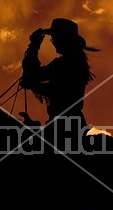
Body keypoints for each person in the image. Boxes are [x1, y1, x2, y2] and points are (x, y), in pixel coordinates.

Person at [19, 18, 100, 152]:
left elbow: (38, 77)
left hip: (62, 127)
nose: (53, 42)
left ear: (63, 40)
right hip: (71, 124)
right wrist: (33, 83)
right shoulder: (74, 62)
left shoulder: (63, 64)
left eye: (54, 38)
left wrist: (33, 47)